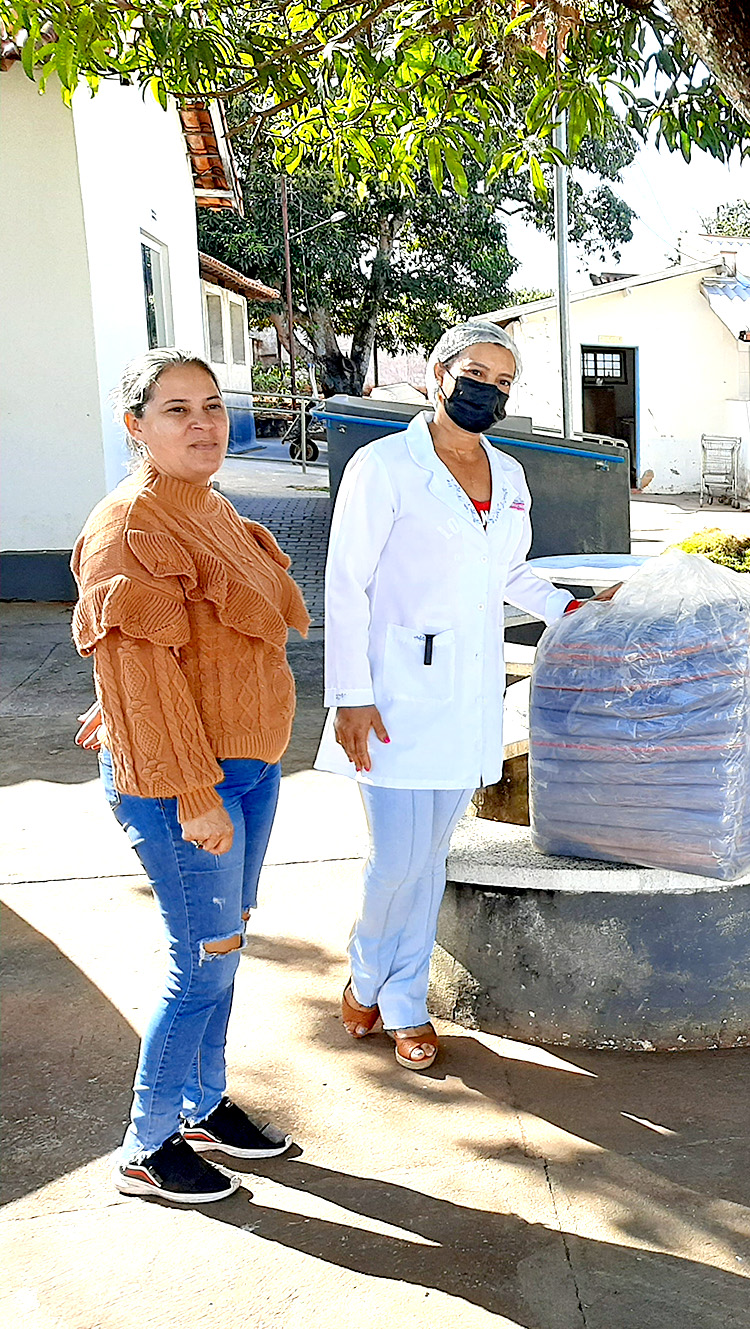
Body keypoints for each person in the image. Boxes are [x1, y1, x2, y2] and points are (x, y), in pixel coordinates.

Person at [72, 350, 310, 1202]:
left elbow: (178, 654)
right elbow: (138, 662)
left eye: (211, 404)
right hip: (188, 787)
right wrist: (191, 790)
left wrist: (122, 699)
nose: (202, 423)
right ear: (134, 426)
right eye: (175, 410)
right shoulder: (128, 523)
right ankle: (146, 1143)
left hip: (251, 769)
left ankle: (203, 1105)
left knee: (227, 949)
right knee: (201, 962)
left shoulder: (209, 507)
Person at [318, 321, 581, 1071]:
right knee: (396, 859)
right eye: (475, 373)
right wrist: (353, 695)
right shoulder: (384, 467)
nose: (487, 390)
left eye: (502, 382)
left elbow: (509, 575)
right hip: (393, 696)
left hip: (464, 694)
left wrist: (570, 608)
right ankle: (370, 975)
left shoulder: (511, 475)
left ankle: (402, 999)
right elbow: (347, 584)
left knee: (430, 856)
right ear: (437, 374)